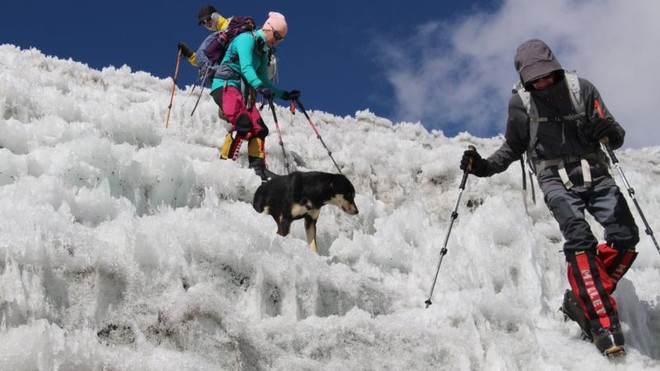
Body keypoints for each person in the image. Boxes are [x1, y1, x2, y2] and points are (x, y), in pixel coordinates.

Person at [460, 39, 639, 357]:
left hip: (595, 171)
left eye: (545, 75)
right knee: (579, 237)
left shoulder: (582, 89)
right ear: (525, 77)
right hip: (553, 177)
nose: (541, 82)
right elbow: (513, 148)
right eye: (534, 78)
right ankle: (603, 324)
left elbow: (616, 134)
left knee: (626, 236)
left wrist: (607, 131)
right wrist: (483, 167)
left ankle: (583, 299)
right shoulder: (520, 104)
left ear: (554, 67)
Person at [210, 11, 300, 181]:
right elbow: (246, 68)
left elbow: (264, 80)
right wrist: (259, 86)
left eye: (281, 39)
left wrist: (285, 95)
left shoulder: (263, 52)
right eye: (276, 35)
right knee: (242, 124)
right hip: (225, 85)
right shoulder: (246, 39)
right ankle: (224, 165)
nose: (277, 41)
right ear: (267, 29)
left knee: (260, 128)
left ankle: (258, 169)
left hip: (239, 92)